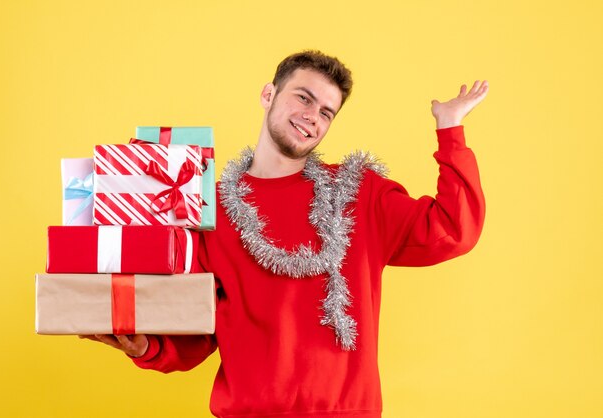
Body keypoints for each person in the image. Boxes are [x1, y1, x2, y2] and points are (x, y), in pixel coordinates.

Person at [81, 50, 488, 417]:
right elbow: (197, 329)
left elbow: (453, 229)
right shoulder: (208, 209)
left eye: (327, 112)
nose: (313, 116)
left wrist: (449, 128)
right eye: (303, 97)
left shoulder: (360, 194)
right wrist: (148, 347)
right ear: (268, 95)